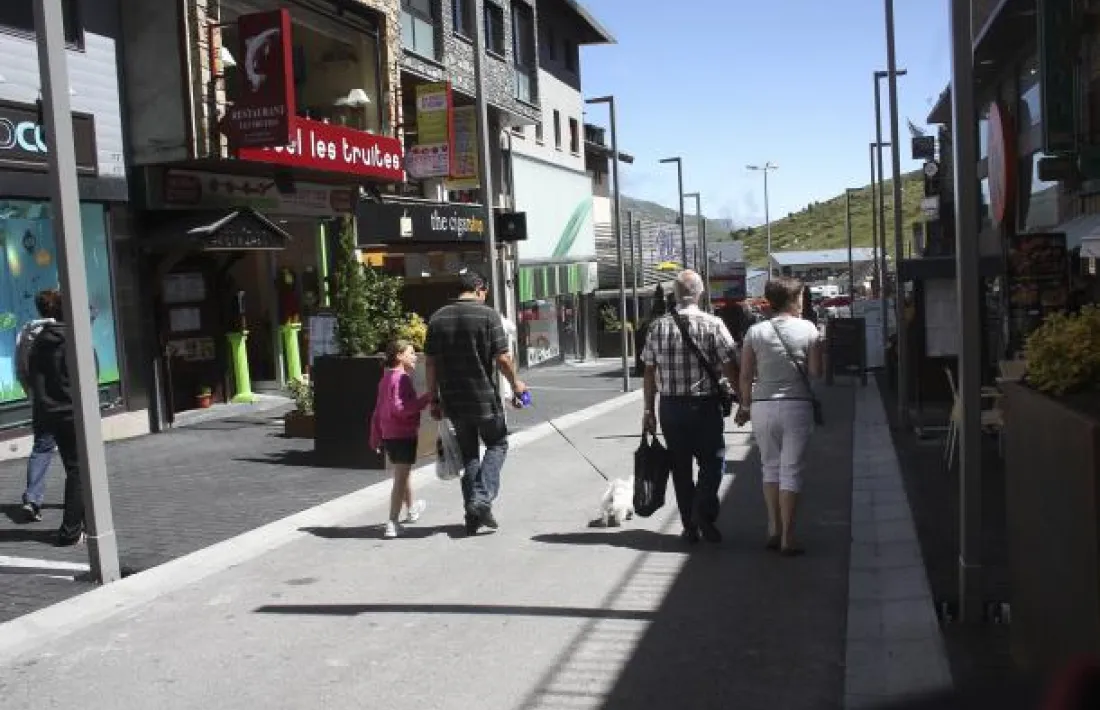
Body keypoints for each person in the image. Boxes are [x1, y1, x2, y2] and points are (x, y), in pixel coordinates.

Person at [424, 270, 527, 536]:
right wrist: (516, 383)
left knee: (469, 453)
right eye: (486, 293)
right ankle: (481, 498)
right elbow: (503, 358)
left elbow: (431, 364)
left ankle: (473, 515)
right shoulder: (488, 315)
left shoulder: (437, 319)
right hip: (483, 398)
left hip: (454, 401)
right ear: (479, 289)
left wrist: (434, 398)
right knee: (497, 443)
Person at [641, 270, 739, 543]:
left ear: (674, 294)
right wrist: (743, 397)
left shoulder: (658, 326)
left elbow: (649, 372)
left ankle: (689, 525)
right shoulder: (713, 324)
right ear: (700, 292)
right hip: (705, 407)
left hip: (670, 407)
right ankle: (703, 510)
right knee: (713, 462)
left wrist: (648, 410)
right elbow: (731, 365)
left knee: (680, 467)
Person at [736, 276, 823, 556]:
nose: (803, 302)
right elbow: (815, 372)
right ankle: (788, 535)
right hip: (796, 404)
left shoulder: (755, 332)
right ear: (794, 299)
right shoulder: (809, 328)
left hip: (762, 406)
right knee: (792, 469)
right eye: (801, 298)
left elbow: (746, 374)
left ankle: (773, 527)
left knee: (769, 467)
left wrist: (745, 406)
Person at [25, 289, 86, 546]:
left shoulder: (40, 341)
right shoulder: (74, 339)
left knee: (74, 466)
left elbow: (29, 375)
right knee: (79, 469)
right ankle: (71, 531)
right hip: (73, 411)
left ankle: (80, 524)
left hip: (48, 411)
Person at [370, 339, 434, 539]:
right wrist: (427, 398)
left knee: (402, 472)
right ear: (399, 356)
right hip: (403, 434)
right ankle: (392, 522)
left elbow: (378, 410)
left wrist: (376, 435)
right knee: (400, 478)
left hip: (389, 434)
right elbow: (402, 408)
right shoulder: (402, 378)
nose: (415, 356)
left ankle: (411, 508)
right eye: (411, 353)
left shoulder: (385, 378)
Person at [15, 291, 59, 522]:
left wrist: (31, 394)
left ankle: (33, 498)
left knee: (41, 448)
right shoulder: (64, 330)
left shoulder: (26, 332)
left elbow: (20, 370)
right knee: (78, 456)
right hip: (66, 402)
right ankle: (82, 500)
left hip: (40, 401)